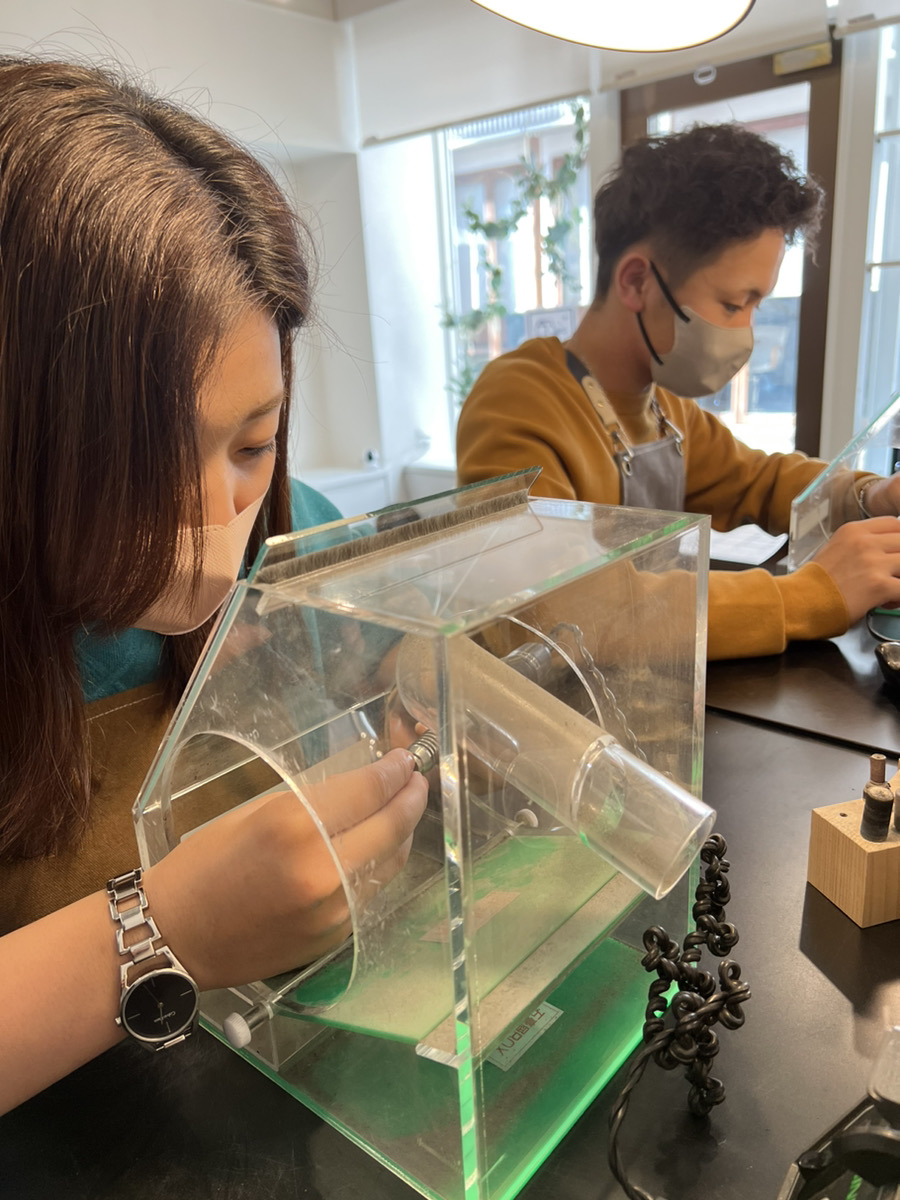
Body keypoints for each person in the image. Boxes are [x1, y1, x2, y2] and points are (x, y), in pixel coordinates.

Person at [0, 58, 427, 1114]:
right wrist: (159, 932)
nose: (210, 526)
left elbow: (401, 637)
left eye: (252, 443)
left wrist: (419, 666)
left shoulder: (300, 529)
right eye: (131, 459)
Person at [456, 124, 900, 660]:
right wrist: (811, 595)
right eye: (733, 304)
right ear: (636, 282)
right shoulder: (516, 404)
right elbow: (562, 610)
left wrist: (872, 496)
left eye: (755, 306)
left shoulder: (664, 406)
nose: (746, 333)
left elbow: (757, 481)